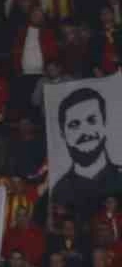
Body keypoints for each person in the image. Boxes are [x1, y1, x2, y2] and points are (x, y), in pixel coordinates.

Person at [50, 86, 122, 217]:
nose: (85, 132)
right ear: (63, 134)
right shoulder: (60, 190)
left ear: (105, 123)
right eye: (74, 125)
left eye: (92, 120)